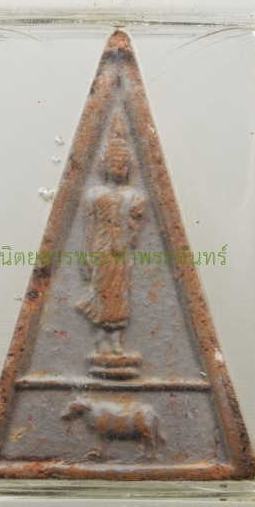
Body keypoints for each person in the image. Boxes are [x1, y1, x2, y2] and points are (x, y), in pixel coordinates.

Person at [77, 110, 147, 355]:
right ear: (104, 165)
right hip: (102, 251)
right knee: (102, 295)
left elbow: (134, 229)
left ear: (128, 168)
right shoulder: (94, 195)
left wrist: (133, 224)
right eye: (114, 163)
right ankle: (101, 340)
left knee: (121, 296)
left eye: (123, 165)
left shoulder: (133, 196)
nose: (119, 168)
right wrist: (85, 256)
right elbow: (89, 229)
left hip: (121, 254)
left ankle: (117, 340)